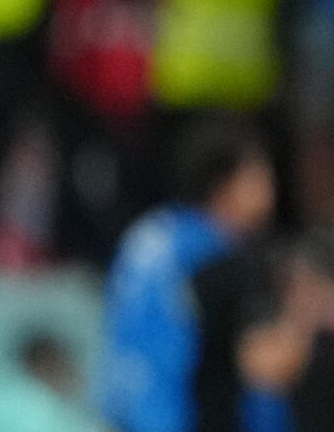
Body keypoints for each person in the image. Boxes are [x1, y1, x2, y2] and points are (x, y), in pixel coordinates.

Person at [98, 116, 279, 432]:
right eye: (258, 177)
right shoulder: (220, 257)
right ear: (223, 184)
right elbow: (262, 363)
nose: (270, 190)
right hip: (179, 417)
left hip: (121, 413)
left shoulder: (148, 233)